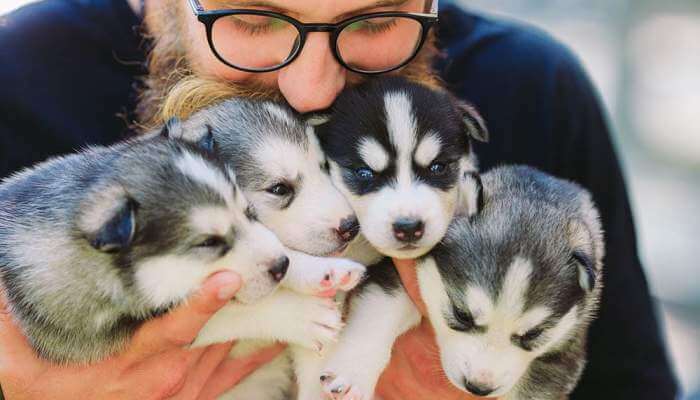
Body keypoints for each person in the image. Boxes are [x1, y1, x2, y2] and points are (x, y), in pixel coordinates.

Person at [0, 0, 678, 399]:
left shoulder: (532, 88)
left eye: (374, 17)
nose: (312, 90)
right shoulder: (20, 79)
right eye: (255, 17)